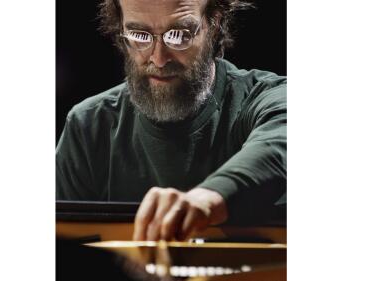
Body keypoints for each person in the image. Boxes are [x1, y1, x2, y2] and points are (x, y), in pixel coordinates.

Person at [56, 0, 286, 241]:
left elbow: (282, 144)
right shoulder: (88, 126)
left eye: (178, 35)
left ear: (214, 25)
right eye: (139, 35)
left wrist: (207, 198)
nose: (159, 58)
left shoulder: (267, 99)